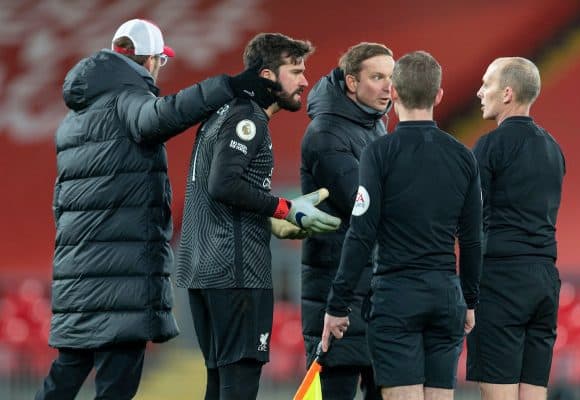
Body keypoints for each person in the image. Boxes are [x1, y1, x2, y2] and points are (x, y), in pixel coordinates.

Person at [36, 18, 281, 400]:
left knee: (64, 377)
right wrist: (226, 87)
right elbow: (161, 116)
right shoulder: (126, 98)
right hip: (121, 277)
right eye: (160, 62)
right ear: (148, 60)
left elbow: (59, 203)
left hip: (79, 273)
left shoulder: (74, 120)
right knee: (116, 386)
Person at [175, 33, 341, 400]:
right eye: (295, 71)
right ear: (267, 75)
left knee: (219, 385)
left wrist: (271, 215)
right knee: (239, 387)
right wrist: (285, 208)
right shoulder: (248, 118)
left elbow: (222, 189)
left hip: (204, 267)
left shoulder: (221, 113)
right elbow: (223, 184)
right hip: (236, 272)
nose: (304, 81)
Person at [322, 51, 483, 400]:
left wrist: (338, 305)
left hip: (397, 298)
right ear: (438, 95)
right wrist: (469, 300)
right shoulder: (463, 157)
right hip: (445, 296)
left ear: (393, 92)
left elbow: (361, 233)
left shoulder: (379, 153)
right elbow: (471, 240)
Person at [466, 57, 565, 400]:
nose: (480, 92)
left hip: (502, 280)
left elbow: (471, 220)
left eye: (487, 84)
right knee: (533, 393)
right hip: (545, 281)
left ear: (507, 93)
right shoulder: (554, 147)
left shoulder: (489, 146)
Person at [300, 42, 394, 400]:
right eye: (377, 77)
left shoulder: (373, 126)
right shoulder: (327, 133)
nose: (388, 87)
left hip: (371, 290)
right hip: (337, 290)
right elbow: (363, 203)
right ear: (352, 83)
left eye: (391, 77)